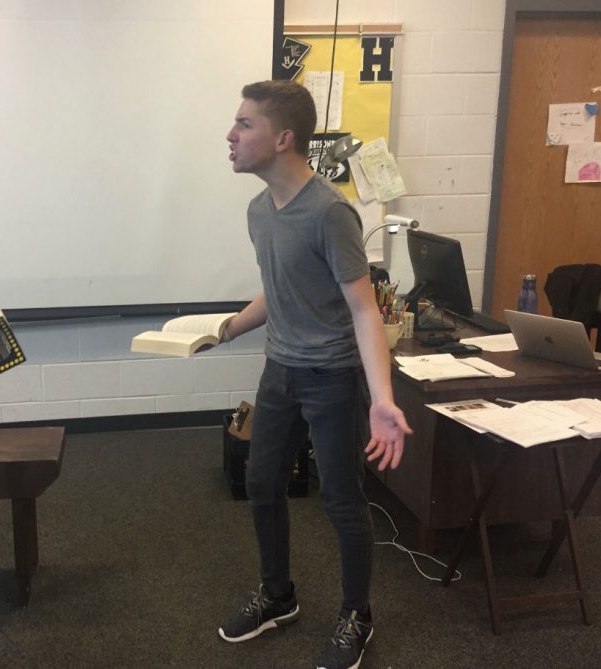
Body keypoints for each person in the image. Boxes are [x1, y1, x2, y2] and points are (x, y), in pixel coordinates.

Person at [216, 80, 412, 669]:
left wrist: (382, 398)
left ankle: (358, 614)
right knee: (261, 483)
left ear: (282, 138)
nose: (230, 135)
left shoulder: (330, 213)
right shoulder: (258, 210)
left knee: (340, 500)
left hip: (330, 376)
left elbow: (363, 308)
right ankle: (279, 596)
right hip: (280, 370)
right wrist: (225, 328)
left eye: (244, 124)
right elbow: (279, 292)